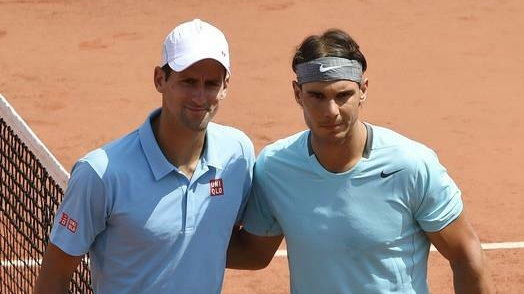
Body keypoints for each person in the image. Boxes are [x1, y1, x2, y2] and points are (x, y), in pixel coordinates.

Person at [227, 29, 494, 293]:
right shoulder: (275, 167)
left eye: (343, 95)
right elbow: (254, 252)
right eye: (317, 96)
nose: (330, 111)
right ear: (298, 94)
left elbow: (466, 255)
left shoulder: (411, 165)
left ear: (363, 90)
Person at [35, 19, 254, 293]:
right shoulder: (101, 172)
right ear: (160, 79)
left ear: (225, 86)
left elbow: (236, 246)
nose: (200, 96)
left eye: (211, 83)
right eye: (187, 81)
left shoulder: (237, 154)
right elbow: (53, 280)